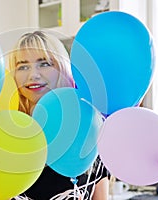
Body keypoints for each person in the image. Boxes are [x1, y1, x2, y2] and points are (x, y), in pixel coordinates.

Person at [7, 31, 109, 200]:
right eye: (23, 66)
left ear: (61, 67)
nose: (33, 75)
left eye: (44, 63)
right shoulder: (5, 133)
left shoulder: (89, 128)